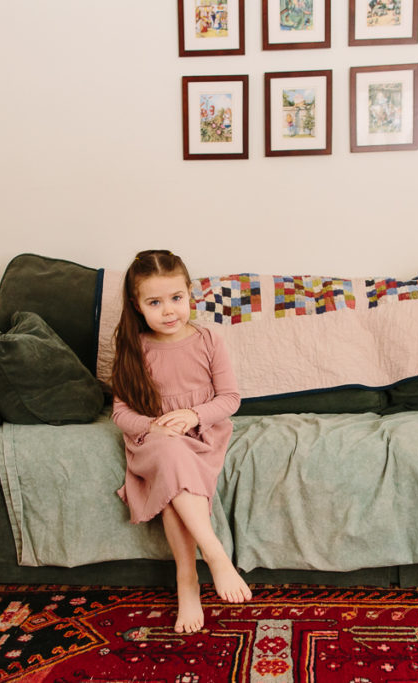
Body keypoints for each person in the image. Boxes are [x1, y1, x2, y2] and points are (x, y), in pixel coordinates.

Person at [110, 249, 252, 633]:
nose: (169, 311)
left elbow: (230, 399)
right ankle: (216, 556)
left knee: (175, 490)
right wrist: (153, 426)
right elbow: (120, 413)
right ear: (137, 305)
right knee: (170, 454)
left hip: (202, 434)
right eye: (154, 302)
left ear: (190, 292)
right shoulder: (134, 347)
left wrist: (193, 415)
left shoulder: (208, 340)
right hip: (156, 440)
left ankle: (187, 581)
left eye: (176, 298)